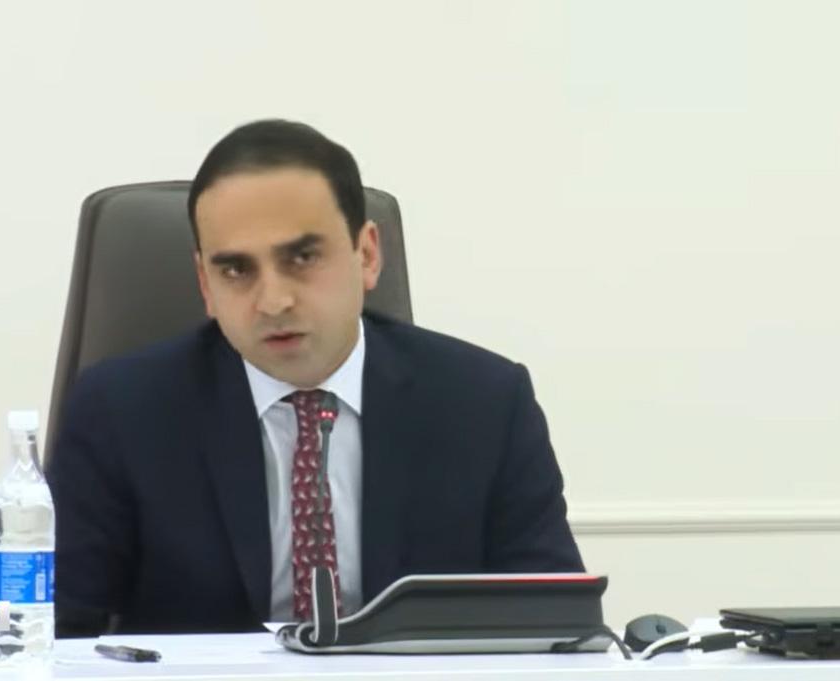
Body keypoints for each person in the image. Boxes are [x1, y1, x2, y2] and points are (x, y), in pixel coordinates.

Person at [46, 119, 584, 637]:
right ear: (205, 285)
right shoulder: (121, 411)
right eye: (236, 270)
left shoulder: (485, 403)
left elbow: (556, 627)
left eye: (302, 257)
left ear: (366, 255)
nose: (273, 301)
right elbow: (42, 628)